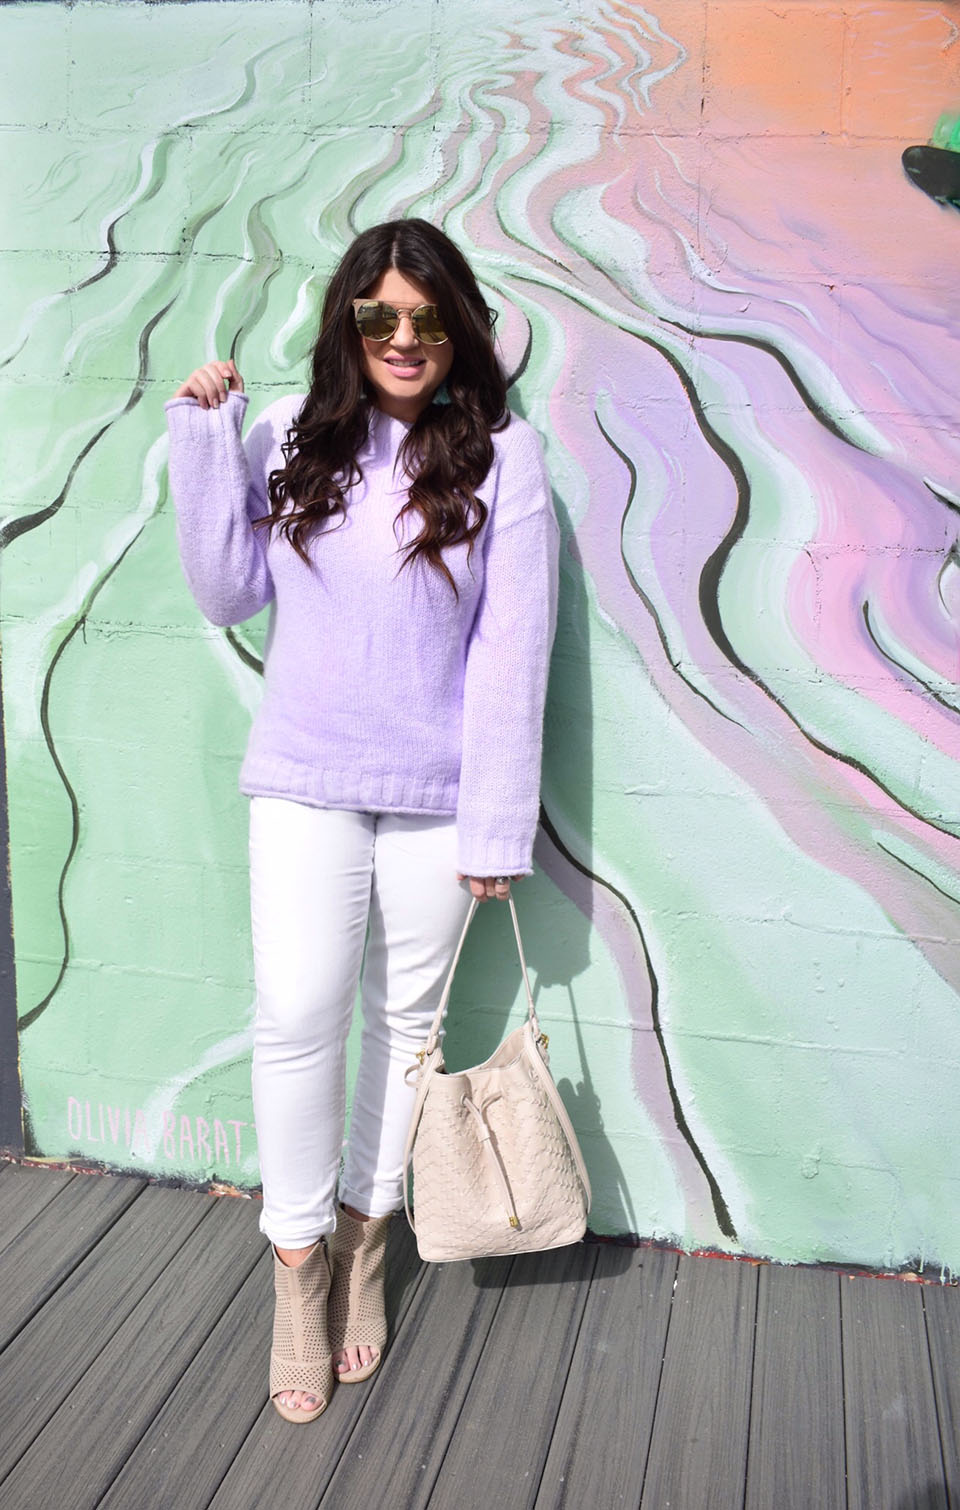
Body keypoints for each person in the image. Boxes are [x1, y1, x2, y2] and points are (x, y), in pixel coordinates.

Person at [165, 218, 559, 1423]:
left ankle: (366, 1244)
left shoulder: (506, 455)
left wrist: (498, 827)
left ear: (462, 332)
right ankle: (297, 1270)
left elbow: (513, 651)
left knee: (402, 1033)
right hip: (302, 777)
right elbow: (226, 587)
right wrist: (201, 438)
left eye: (429, 319)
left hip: (440, 800)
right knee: (295, 1016)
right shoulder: (292, 434)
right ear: (348, 322)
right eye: (379, 316)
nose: (404, 339)